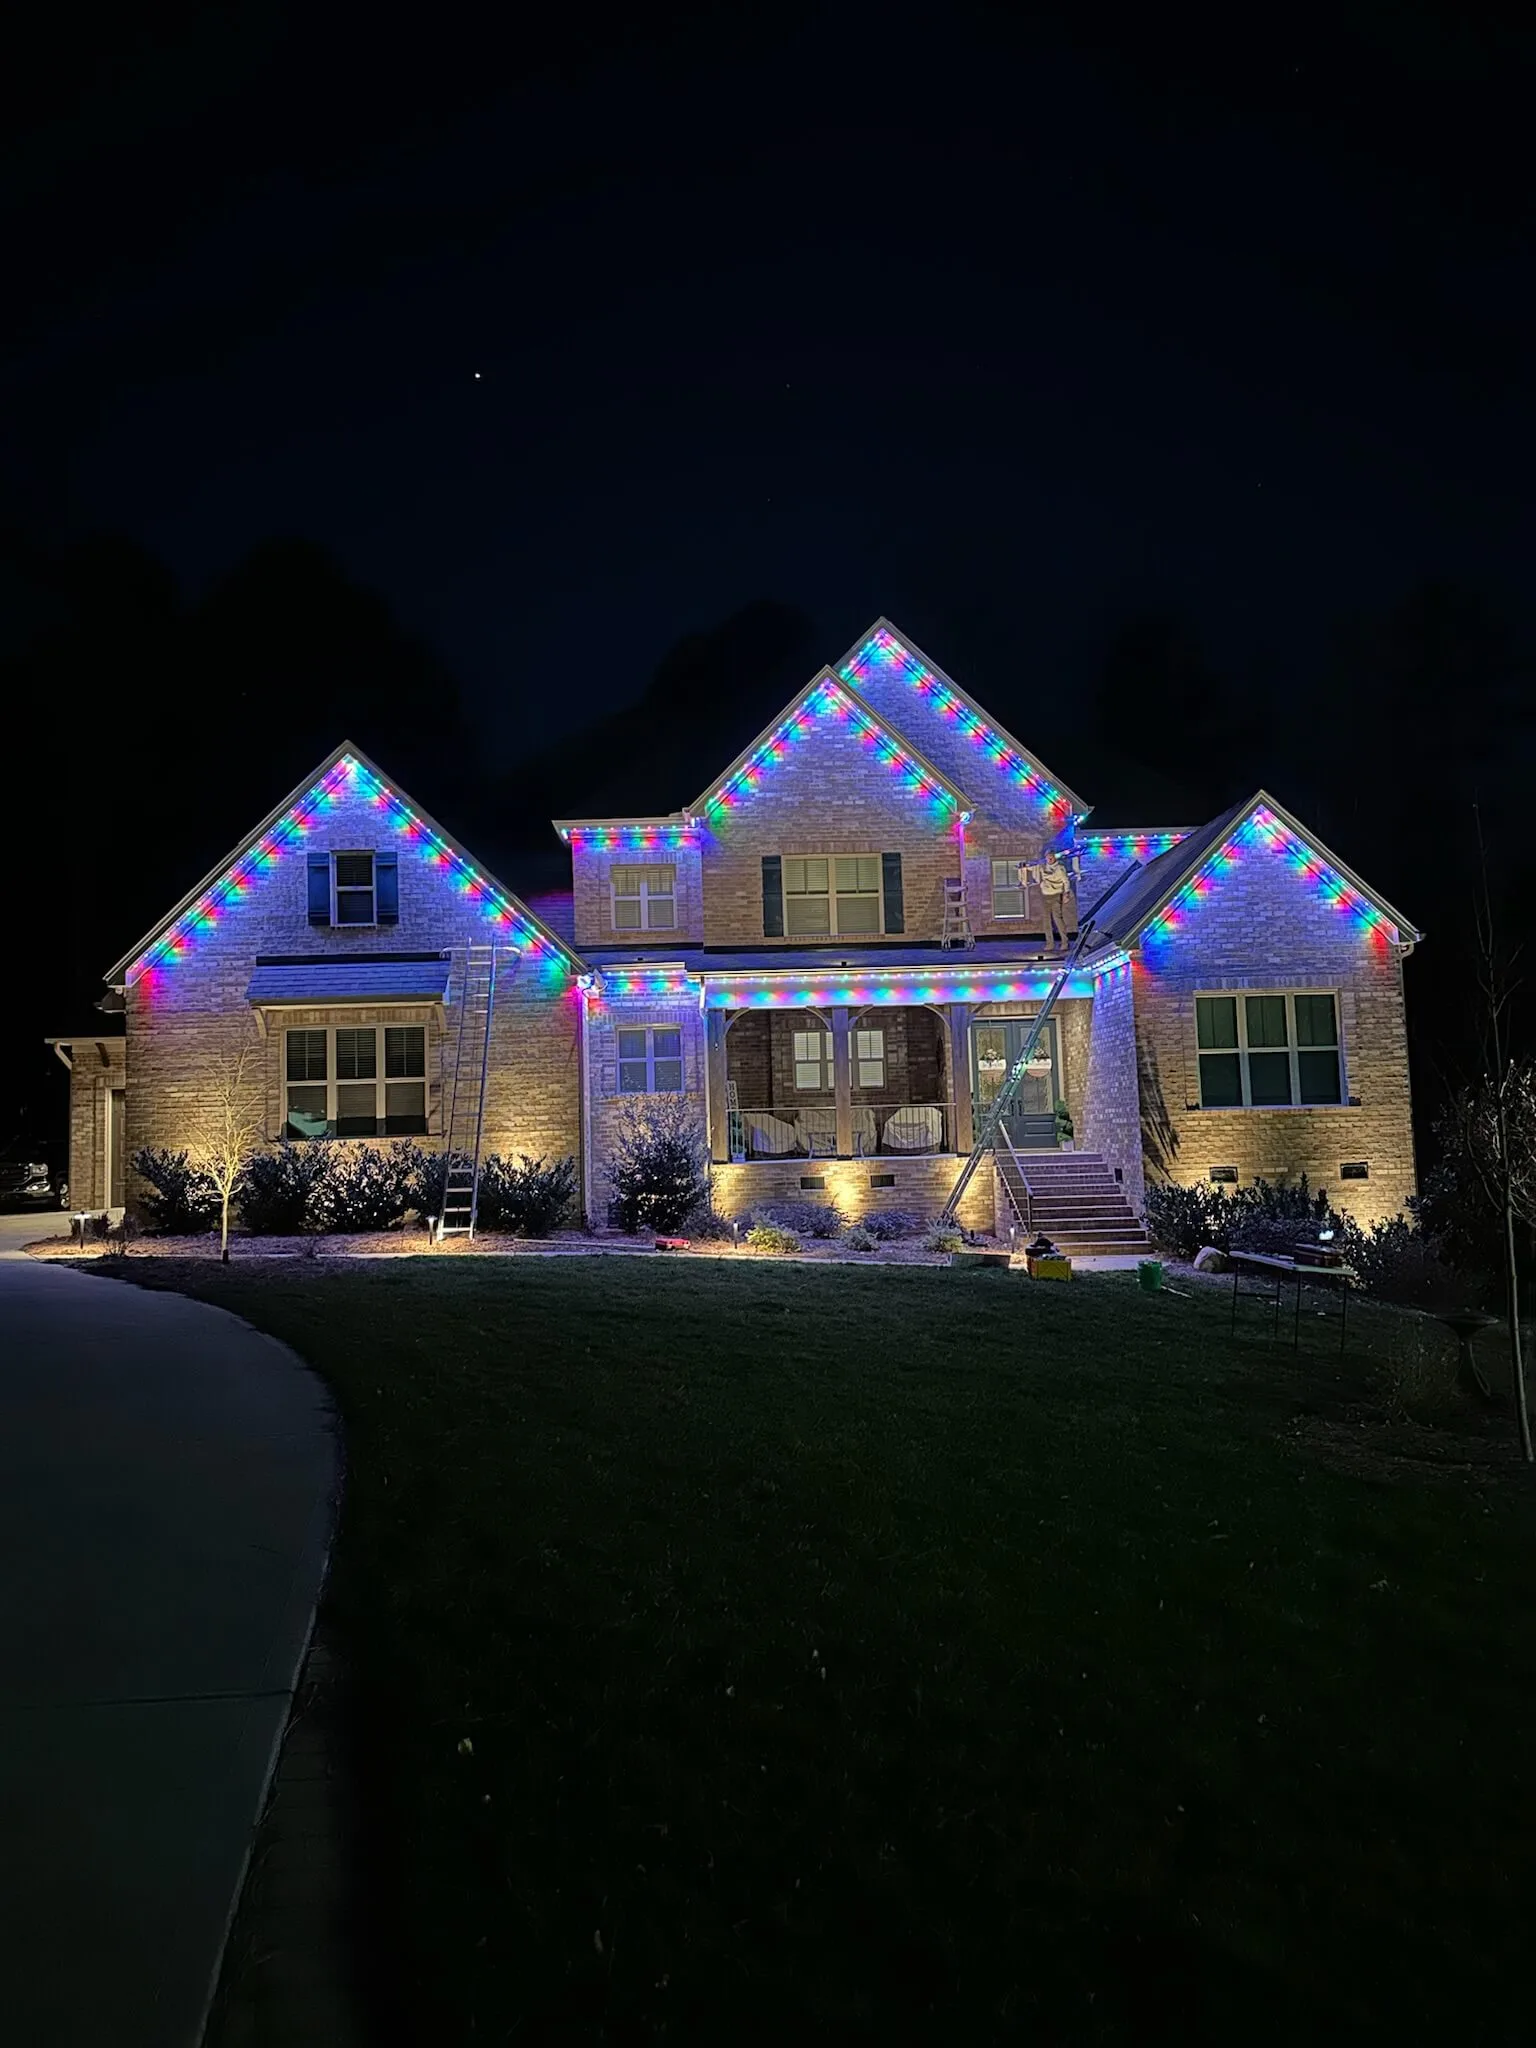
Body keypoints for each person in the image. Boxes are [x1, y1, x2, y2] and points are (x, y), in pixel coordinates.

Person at [1026, 848, 1076, 951]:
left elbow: (1066, 881)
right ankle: (1050, 943)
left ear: (1054, 857)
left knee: (1057, 919)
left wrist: (1066, 893)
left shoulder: (1060, 868)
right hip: (1045, 895)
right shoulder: (1043, 867)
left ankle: (1064, 942)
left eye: (1051, 857)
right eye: (1048, 857)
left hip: (1056, 895)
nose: (1050, 859)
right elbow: (1032, 868)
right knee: (1046, 921)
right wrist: (1025, 867)